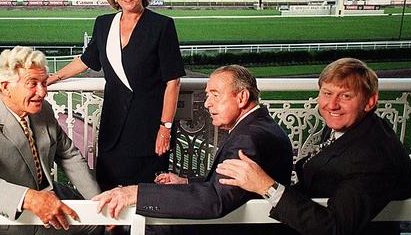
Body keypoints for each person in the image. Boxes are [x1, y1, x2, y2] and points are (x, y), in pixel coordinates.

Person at [215, 58, 411, 235]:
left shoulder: (373, 157)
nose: (332, 105)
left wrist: (266, 186)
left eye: (345, 96)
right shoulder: (350, 125)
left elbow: (334, 227)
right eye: (327, 93)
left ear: (370, 102)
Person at [93, 65, 293, 235]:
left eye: (215, 95)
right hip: (238, 216)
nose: (207, 104)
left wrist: (134, 193)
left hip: (236, 225)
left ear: (242, 97)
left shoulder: (249, 138)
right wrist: (185, 182)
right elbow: (229, 187)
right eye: (207, 96)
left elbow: (215, 200)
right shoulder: (257, 126)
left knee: (142, 225)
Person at [48, 0, 185, 191]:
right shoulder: (103, 25)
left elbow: (173, 81)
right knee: (109, 193)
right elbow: (86, 60)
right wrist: (53, 78)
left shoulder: (162, 26)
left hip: (149, 128)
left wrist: (165, 127)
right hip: (113, 127)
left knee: (145, 196)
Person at [0, 46, 102, 235]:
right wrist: (28, 198)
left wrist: (97, 203)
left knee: (101, 223)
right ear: (6, 86)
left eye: (44, 83)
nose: (42, 93)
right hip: (12, 220)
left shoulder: (44, 109)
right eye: (32, 84)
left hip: (48, 197)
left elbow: (68, 155)